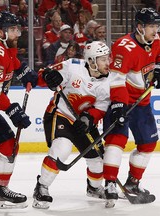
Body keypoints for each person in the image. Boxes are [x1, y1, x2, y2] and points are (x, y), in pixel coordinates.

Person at [102, 8, 160, 208]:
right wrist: (119, 105)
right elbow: (116, 79)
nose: (155, 30)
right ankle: (109, 184)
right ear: (140, 27)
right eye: (151, 26)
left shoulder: (155, 40)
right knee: (116, 141)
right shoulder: (124, 47)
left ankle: (133, 182)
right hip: (120, 100)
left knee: (148, 144)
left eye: (157, 26)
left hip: (142, 102)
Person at [32, 41, 111, 209]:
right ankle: (42, 187)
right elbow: (40, 76)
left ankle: (94, 188)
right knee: (62, 149)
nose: (108, 63)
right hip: (61, 114)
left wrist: (90, 119)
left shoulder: (108, 82)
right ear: (91, 61)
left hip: (82, 121)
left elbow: (101, 107)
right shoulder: (72, 66)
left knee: (97, 158)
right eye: (103, 59)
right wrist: (47, 76)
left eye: (107, 58)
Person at [0, 11, 38, 209]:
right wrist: (12, 109)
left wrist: (25, 73)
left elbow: (13, 64)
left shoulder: (1, 46)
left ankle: (1, 191)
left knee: (8, 145)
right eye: (12, 30)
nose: (17, 34)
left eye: (17, 29)